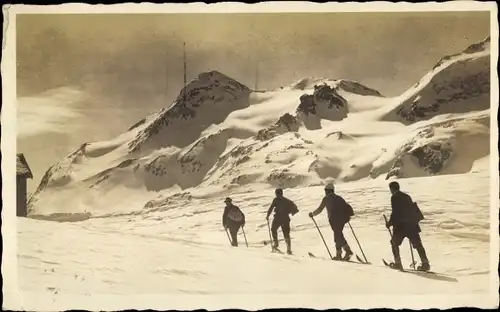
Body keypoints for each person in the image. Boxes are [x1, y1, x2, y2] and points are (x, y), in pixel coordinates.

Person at [386, 181, 430, 271]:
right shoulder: (407, 196)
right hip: (412, 225)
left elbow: (396, 212)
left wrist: (389, 223)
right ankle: (425, 263)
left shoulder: (394, 197)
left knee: (394, 243)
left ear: (392, 189)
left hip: (400, 227)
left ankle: (398, 263)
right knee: (418, 244)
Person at [309, 183, 354, 261]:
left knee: (337, 236)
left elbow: (320, 209)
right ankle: (344, 252)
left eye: (325, 190)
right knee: (339, 235)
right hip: (342, 220)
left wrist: (312, 214)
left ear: (327, 191)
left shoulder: (326, 199)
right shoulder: (339, 198)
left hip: (334, 220)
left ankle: (342, 253)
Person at [266, 188, 299, 254]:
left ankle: (276, 244)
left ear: (277, 193)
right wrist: (290, 212)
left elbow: (271, 208)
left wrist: (268, 215)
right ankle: (288, 249)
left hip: (278, 218)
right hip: (285, 218)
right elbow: (295, 209)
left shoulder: (276, 200)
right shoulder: (287, 200)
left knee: (273, 229)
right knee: (286, 234)